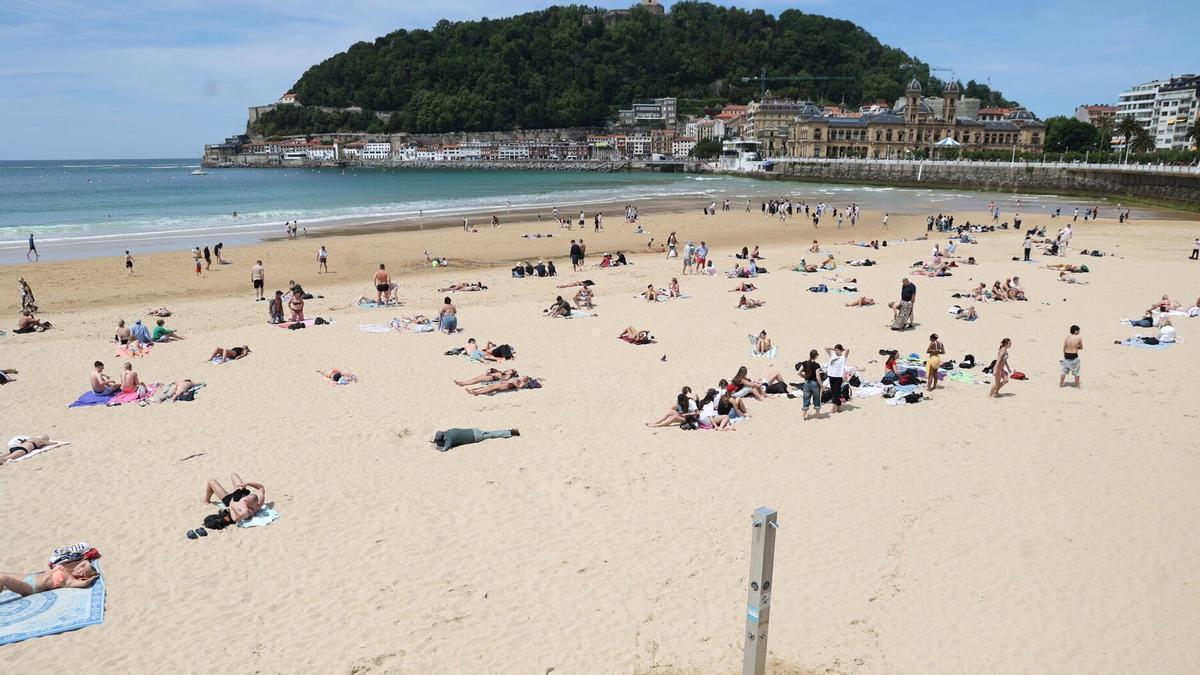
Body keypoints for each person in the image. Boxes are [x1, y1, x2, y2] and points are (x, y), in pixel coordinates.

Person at [0, 559, 98, 596]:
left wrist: (92, 577)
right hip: (30, 578)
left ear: (83, 576)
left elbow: (84, 583)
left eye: (83, 572)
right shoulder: (69, 568)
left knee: (3, 579)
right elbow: (85, 561)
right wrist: (86, 566)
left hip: (31, 587)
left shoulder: (70, 581)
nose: (80, 569)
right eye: (82, 566)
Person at [433, 427, 520, 451]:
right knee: (491, 433)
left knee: (492, 435)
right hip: (474, 430)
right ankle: (509, 432)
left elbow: (445, 449)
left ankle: (510, 433)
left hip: (475, 438)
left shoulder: (449, 440)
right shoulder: (451, 430)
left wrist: (438, 448)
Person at [797, 350, 823, 420]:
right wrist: (822, 386)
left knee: (806, 399)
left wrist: (804, 376)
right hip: (814, 383)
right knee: (816, 399)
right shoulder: (817, 365)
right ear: (816, 356)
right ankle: (817, 415)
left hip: (807, 383)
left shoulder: (805, 363)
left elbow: (798, 372)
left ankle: (803, 416)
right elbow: (818, 378)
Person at [824, 345, 848, 412]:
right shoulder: (832, 355)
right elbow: (826, 347)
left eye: (838, 350)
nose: (836, 351)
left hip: (838, 377)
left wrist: (843, 349)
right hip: (831, 376)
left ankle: (833, 408)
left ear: (841, 350)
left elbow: (848, 350)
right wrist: (833, 349)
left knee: (836, 392)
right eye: (835, 350)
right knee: (834, 391)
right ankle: (839, 407)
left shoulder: (843, 357)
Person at [466, 375, 536, 396]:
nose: (522, 377)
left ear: (525, 379)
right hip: (505, 383)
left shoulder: (523, 382)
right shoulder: (518, 379)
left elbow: (519, 387)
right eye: (523, 376)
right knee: (489, 387)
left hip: (508, 386)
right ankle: (474, 391)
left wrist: (516, 383)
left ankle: (477, 392)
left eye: (524, 377)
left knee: (491, 388)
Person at [455, 369, 519, 387]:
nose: (510, 370)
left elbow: (504, 379)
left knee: (477, 380)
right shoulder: (505, 372)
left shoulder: (509, 375)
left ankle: (463, 384)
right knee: (475, 378)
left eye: (512, 370)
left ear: (512, 373)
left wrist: (496, 375)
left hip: (492, 377)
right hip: (490, 374)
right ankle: (462, 382)